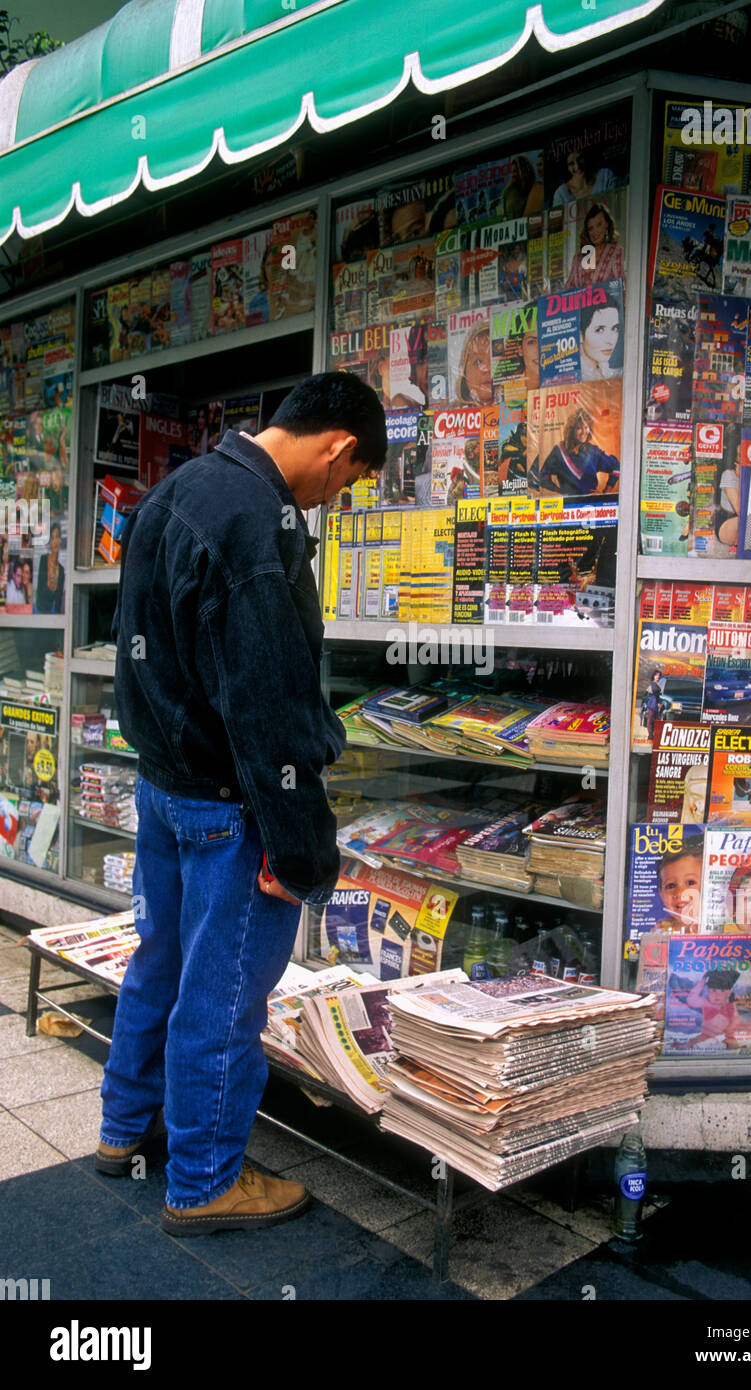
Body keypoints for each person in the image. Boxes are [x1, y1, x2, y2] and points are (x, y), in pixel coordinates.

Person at [95, 373, 387, 1236]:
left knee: (161, 961)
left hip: (164, 786)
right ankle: (204, 1180)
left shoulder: (177, 488)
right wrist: (300, 850)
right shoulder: (259, 527)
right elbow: (270, 710)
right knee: (223, 998)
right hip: (230, 803)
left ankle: (123, 1130)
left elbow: (133, 651)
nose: (338, 497)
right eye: (351, 480)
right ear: (337, 449)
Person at [530, 407, 619, 495]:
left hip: (591, 504)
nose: (584, 432)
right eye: (579, 428)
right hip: (569, 504)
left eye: (586, 427)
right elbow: (543, 476)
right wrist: (559, 490)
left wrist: (605, 492)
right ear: (572, 430)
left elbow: (616, 466)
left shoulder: (592, 451)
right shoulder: (559, 451)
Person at [669, 969, 741, 1050]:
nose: (717, 995)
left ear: (728, 992)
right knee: (692, 1042)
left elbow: (735, 1019)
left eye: (722, 991)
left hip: (725, 1034)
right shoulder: (705, 1001)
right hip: (706, 1034)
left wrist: (729, 1031)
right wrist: (702, 982)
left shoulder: (729, 1004)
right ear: (708, 990)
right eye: (713, 990)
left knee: (733, 1044)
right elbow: (690, 1000)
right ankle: (683, 1046)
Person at [565, 204, 624, 289]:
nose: (595, 232)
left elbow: (621, 288)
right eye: (591, 228)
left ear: (607, 224)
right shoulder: (578, 257)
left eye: (599, 224)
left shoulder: (616, 252)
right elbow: (568, 288)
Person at [655, 839, 702, 930]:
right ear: (661, 893)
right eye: (671, 886)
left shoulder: (720, 928)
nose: (680, 893)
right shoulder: (661, 930)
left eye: (690, 883)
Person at [579, 299, 621, 381]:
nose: (610, 341)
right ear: (580, 335)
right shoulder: (572, 378)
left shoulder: (610, 373)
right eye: (599, 330)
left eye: (614, 328)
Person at [456, 324, 494, 406]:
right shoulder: (455, 411)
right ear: (464, 371)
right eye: (478, 362)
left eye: (494, 361)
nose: (487, 369)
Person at [35, 523, 65, 614]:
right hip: (40, 611)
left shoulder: (61, 569)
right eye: (52, 538)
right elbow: (40, 591)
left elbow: (58, 600)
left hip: (53, 615)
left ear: (60, 540)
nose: (55, 541)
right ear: (50, 542)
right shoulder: (43, 560)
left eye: (57, 537)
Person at [642, 668, 663, 742]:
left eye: (659, 676)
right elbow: (654, 694)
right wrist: (658, 702)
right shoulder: (653, 684)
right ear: (653, 676)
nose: (658, 677)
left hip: (654, 703)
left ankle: (653, 735)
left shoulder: (654, 684)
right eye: (656, 675)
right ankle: (651, 736)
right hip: (653, 703)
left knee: (654, 720)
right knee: (651, 720)